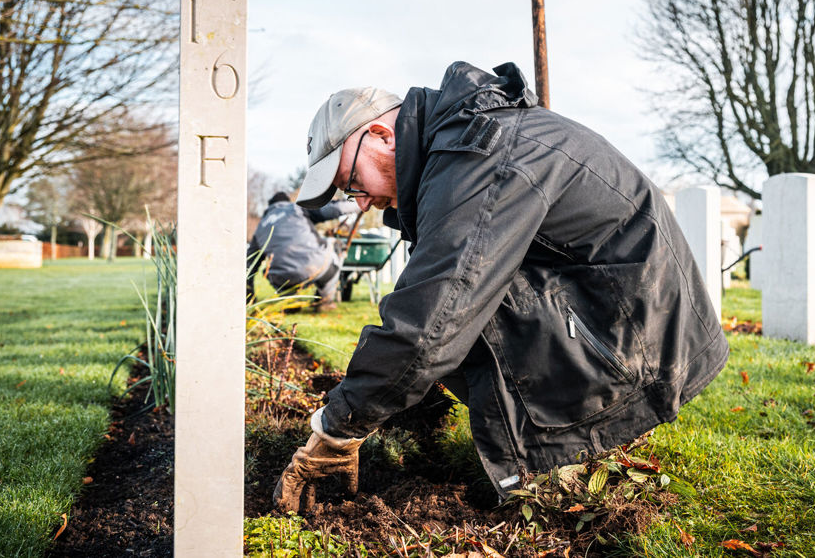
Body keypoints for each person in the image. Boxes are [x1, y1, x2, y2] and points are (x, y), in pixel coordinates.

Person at [273, 62, 729, 511]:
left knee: (455, 305)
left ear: (381, 136)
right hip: (620, 319)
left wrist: (338, 429)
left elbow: (431, 319)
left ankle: (564, 457)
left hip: (638, 341)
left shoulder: (478, 155)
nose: (362, 201)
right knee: (450, 300)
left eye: (351, 181)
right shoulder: (459, 145)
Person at [246, 192, 359, 307]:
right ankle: (325, 301)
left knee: (275, 274)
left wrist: (249, 298)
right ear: (286, 202)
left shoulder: (261, 226)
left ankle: (290, 302)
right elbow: (335, 209)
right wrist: (360, 204)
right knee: (333, 243)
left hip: (282, 279)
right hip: (314, 267)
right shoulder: (296, 209)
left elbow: (248, 265)